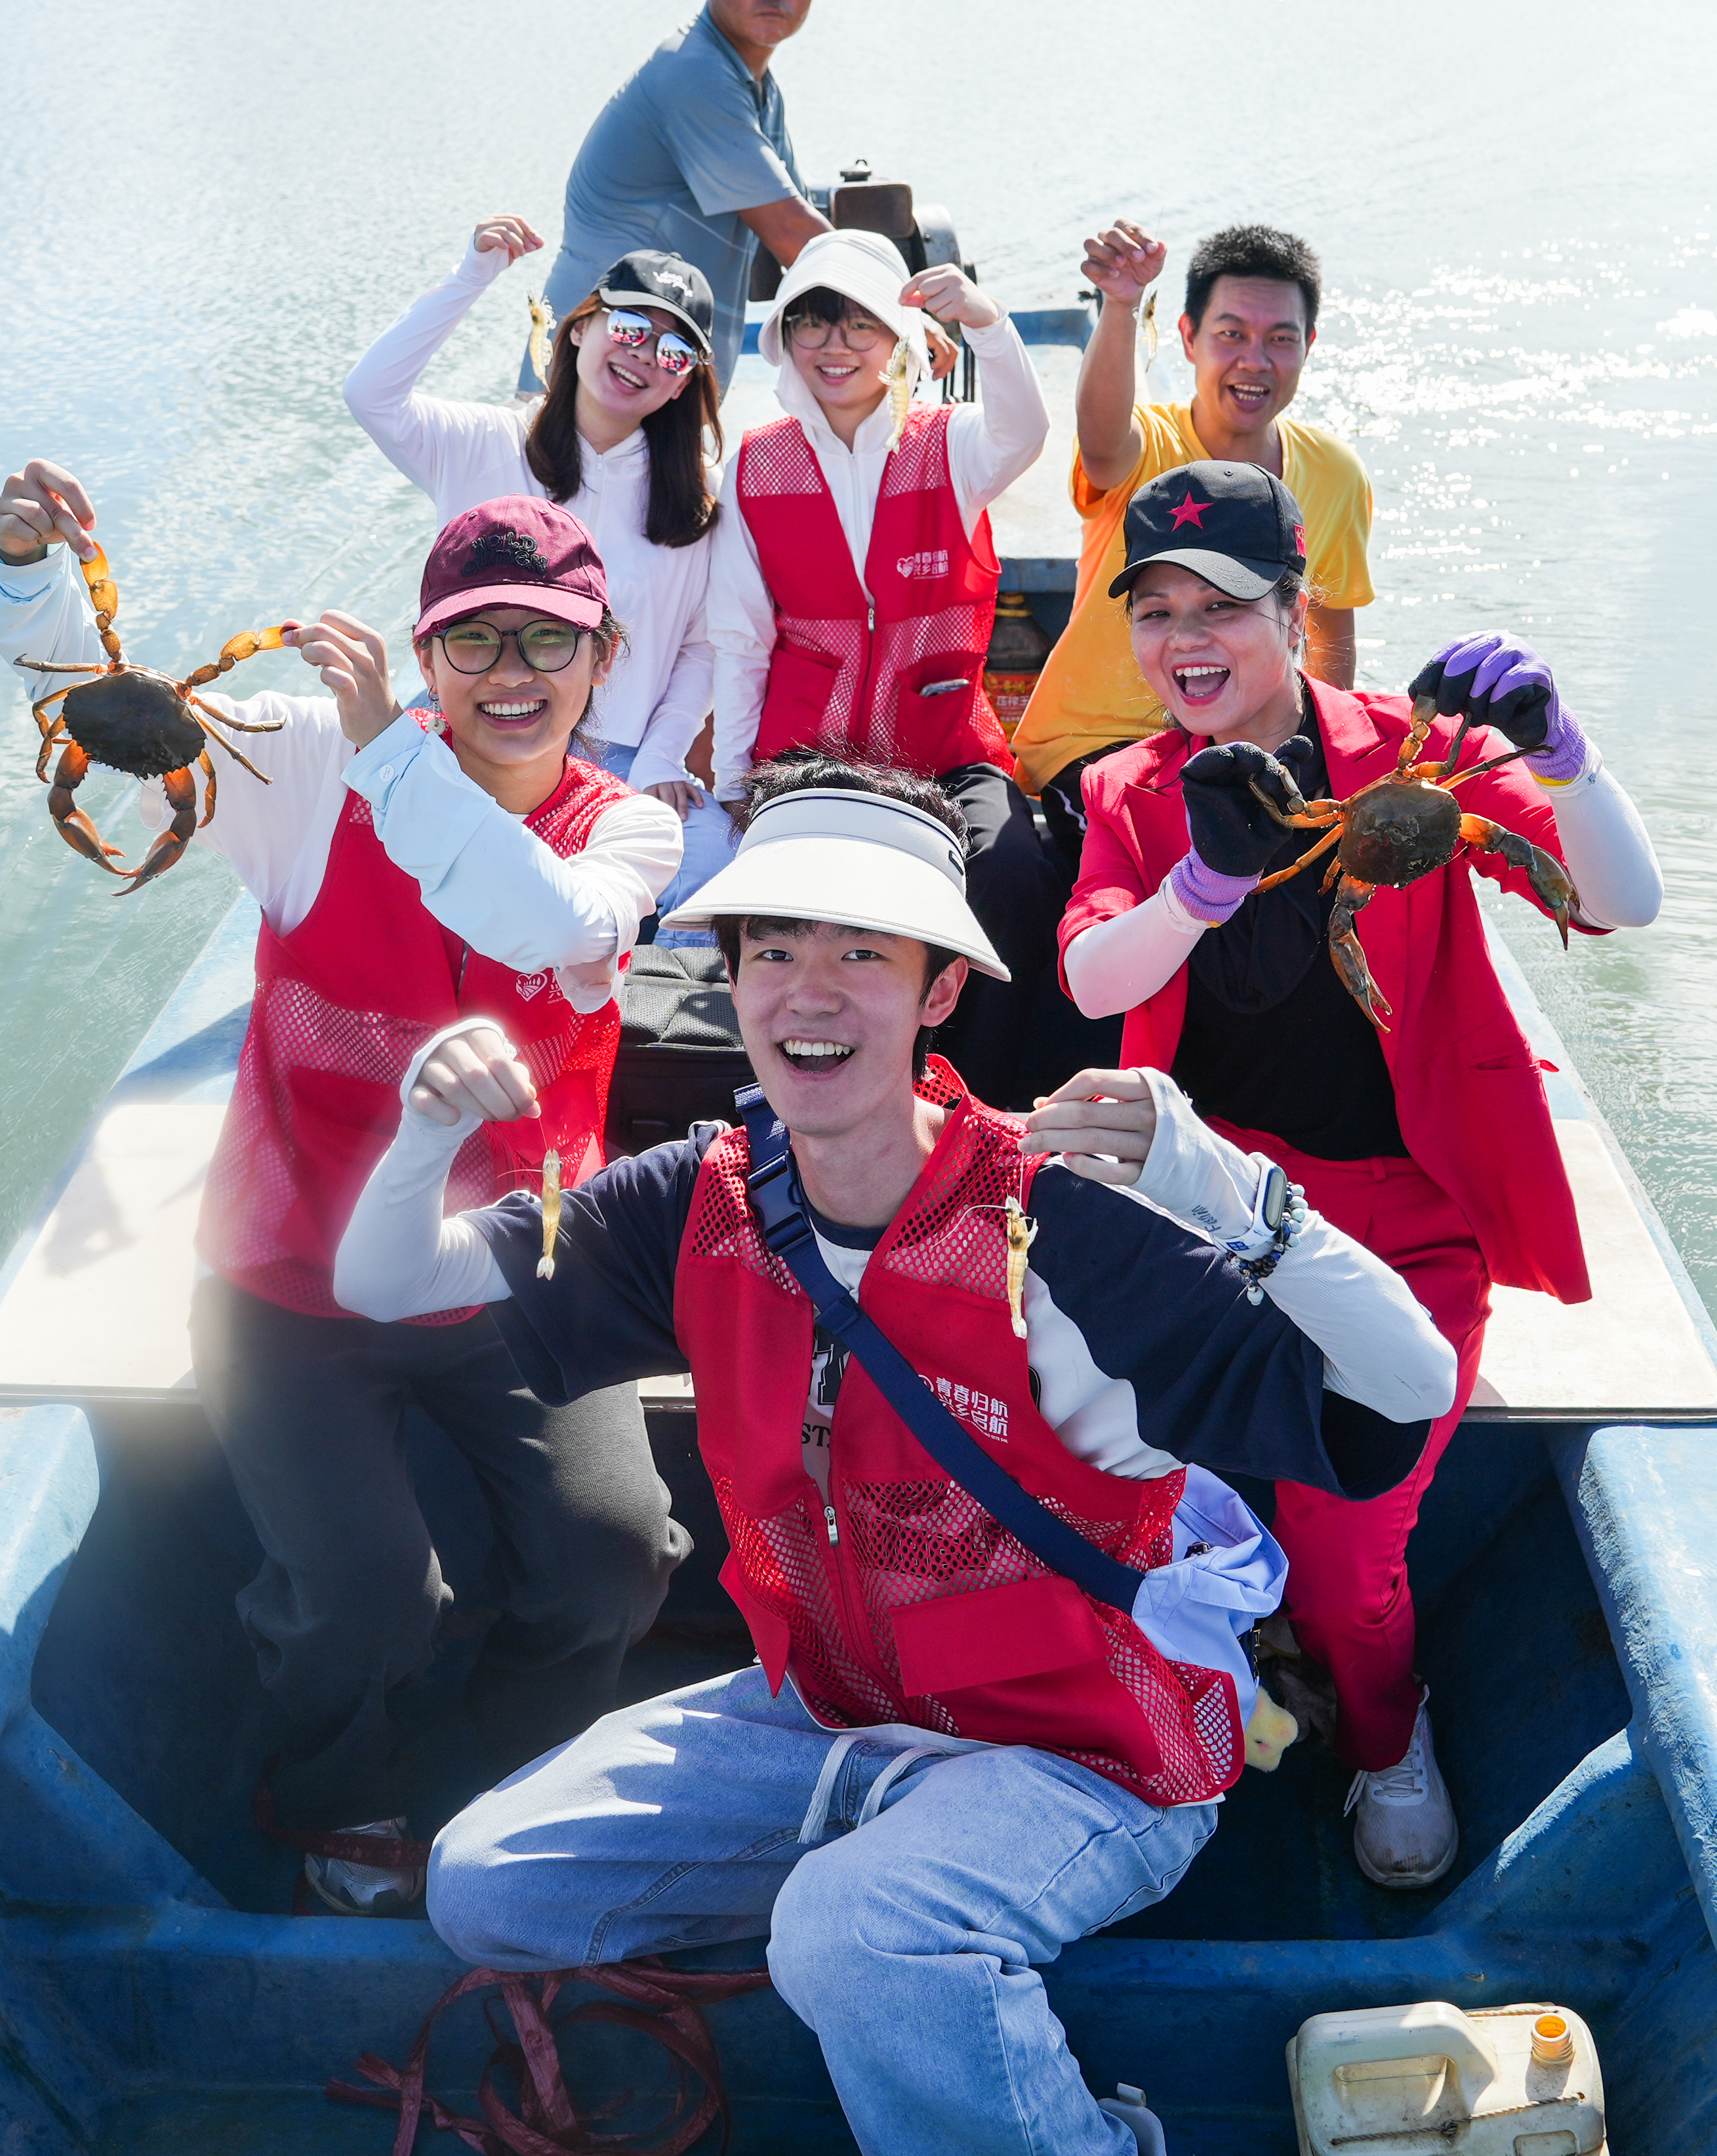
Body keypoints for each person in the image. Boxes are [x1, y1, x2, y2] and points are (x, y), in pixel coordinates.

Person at [330, 753, 1461, 2156]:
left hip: (1091, 1746)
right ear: (730, 987)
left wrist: (1252, 1205)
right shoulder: (698, 1197)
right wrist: (424, 1135)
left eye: (864, 950)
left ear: (938, 992)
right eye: (776, 949)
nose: (813, 989)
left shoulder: (1065, 1225)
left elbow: (1406, 1397)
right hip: (834, 1704)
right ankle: (896, 1882)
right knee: (488, 1883)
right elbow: (388, 1282)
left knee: (850, 1933)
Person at [0, 473, 685, 1913]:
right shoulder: (302, 764)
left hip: (517, 1269)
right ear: (424, 657)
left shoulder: (634, 836)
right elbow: (86, 694)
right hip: (285, 1274)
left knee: (614, 1558)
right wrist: (23, 563)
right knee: (365, 1591)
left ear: (606, 661)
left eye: (550, 641)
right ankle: (336, 1791)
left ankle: (511, 1762)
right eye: (474, 640)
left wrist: (390, 751)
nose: (512, 674)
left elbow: (538, 922)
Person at [1056, 460, 1662, 1889]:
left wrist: (1566, 759)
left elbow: (1620, 902)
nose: (1185, 638)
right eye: (1156, 609)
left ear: (1297, 606)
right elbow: (1091, 978)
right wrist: (1200, 885)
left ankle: (1389, 1738)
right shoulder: (1136, 791)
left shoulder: (1416, 760)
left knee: (1347, 1546)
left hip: (1405, 1223)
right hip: (1197, 1207)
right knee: (1090, 1473)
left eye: (1225, 605)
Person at [703, 222, 1061, 1096]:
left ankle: (984, 1099)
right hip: (808, 760)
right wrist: (732, 784)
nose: (836, 347)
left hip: (944, 747)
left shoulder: (953, 445)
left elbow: (1027, 429)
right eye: (811, 324)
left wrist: (985, 322)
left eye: (859, 324)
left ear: (897, 339)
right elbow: (742, 638)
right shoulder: (753, 466)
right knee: (804, 911)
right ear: (784, 338)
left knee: (1015, 873)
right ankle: (815, 1096)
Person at [348, 216, 732, 904]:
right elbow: (370, 393)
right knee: (367, 851)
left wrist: (660, 759)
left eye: (674, 351)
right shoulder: (483, 441)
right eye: (630, 328)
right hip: (468, 728)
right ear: (581, 326)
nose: (645, 355)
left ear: (684, 384)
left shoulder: (700, 495)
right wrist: (472, 276)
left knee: (709, 868)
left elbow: (702, 647)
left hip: (621, 757)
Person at [1012, 222, 1378, 844]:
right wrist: (1122, 304)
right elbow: (1102, 444)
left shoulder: (1336, 473)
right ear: (1188, 337)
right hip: (1100, 742)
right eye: (1231, 334)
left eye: (1280, 339)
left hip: (1249, 743)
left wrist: (1326, 766)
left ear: (1309, 345)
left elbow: (1328, 644)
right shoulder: (1149, 444)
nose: (1254, 361)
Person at [540, 0, 831, 346]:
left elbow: (801, 217)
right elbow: (792, 234)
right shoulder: (695, 75)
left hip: (658, 365)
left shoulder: (757, 88)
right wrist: (912, 307)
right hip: (592, 368)